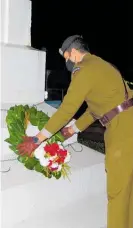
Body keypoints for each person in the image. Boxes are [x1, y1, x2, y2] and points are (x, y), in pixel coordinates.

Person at [17, 35, 133, 228]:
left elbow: (67, 109)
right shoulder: (100, 65)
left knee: (118, 190)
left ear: (73, 52)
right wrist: (72, 129)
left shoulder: (84, 71)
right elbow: (96, 109)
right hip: (126, 120)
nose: (67, 63)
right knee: (127, 188)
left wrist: (37, 139)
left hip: (123, 129)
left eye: (66, 57)